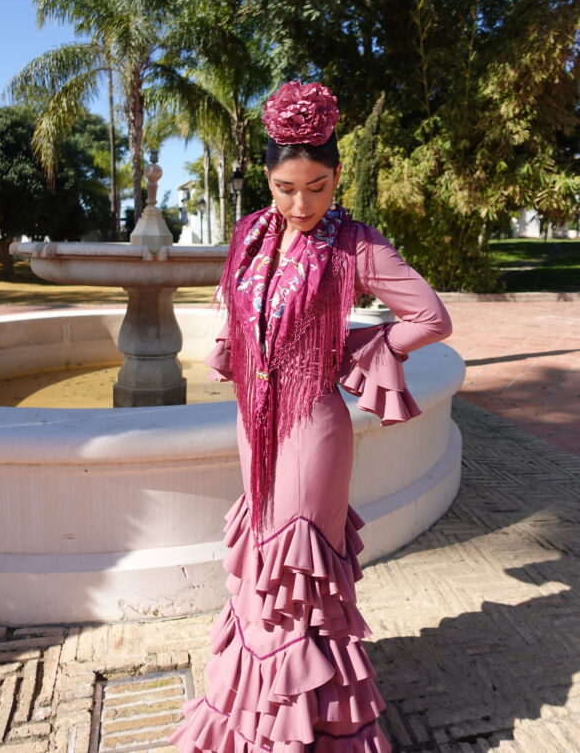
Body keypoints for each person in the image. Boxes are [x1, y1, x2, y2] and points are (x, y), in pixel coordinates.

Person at [168, 80, 453, 752]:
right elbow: (233, 319)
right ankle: (256, 715)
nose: (301, 204)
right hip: (253, 425)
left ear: (336, 176)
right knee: (258, 564)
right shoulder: (248, 236)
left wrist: (361, 346)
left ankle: (307, 730)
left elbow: (430, 317)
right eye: (287, 188)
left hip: (312, 428)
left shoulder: (353, 243)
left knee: (295, 574)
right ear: (267, 179)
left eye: (318, 187)